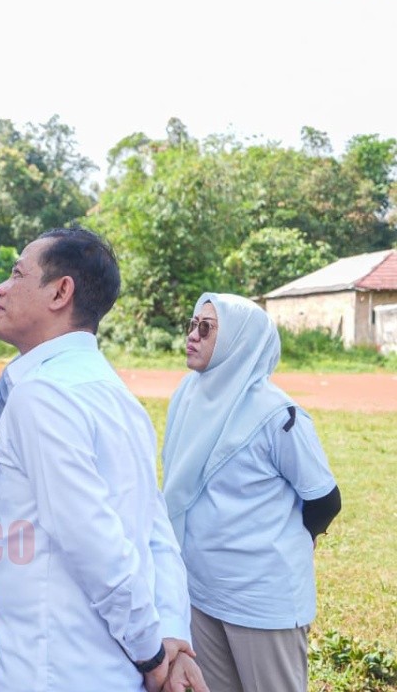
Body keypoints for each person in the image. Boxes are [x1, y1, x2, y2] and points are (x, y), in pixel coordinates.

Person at [0, 227, 208, 691]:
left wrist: (153, 652)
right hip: (109, 669)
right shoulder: (116, 396)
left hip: (54, 671)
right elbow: (156, 534)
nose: (1, 287)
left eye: (18, 274)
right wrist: (169, 636)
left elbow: (93, 544)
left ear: (61, 292)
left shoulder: (42, 396)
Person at [162, 294, 342, 692]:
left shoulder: (277, 416)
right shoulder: (189, 396)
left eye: (206, 328)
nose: (192, 335)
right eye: (192, 324)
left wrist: (301, 539)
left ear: (239, 341)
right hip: (200, 590)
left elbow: (325, 498)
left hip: (261, 599)